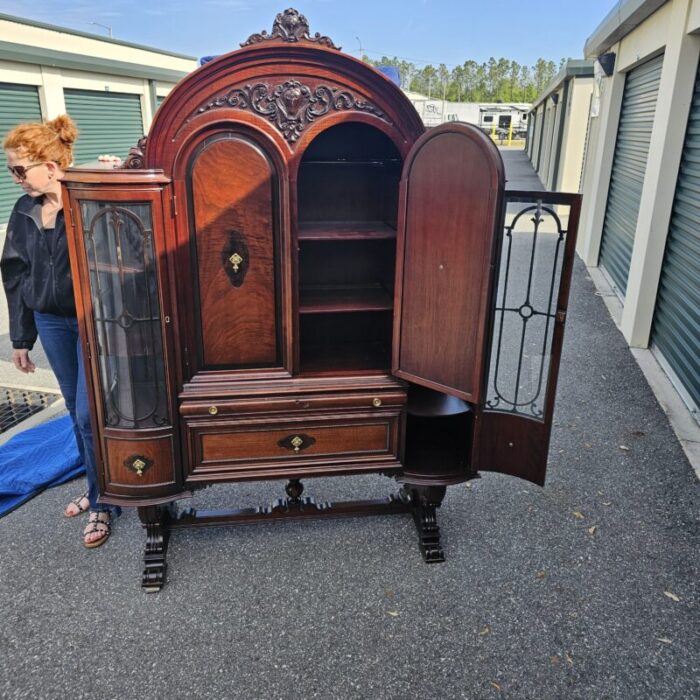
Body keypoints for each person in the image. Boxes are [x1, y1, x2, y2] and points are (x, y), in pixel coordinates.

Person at [2, 114, 119, 547]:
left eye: (20, 169)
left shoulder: (88, 196)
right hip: (51, 321)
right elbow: (14, 274)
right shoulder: (24, 209)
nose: (15, 179)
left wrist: (115, 170)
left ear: (51, 167)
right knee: (75, 411)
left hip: (95, 321)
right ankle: (99, 486)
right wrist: (21, 338)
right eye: (11, 169)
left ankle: (105, 500)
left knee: (92, 414)